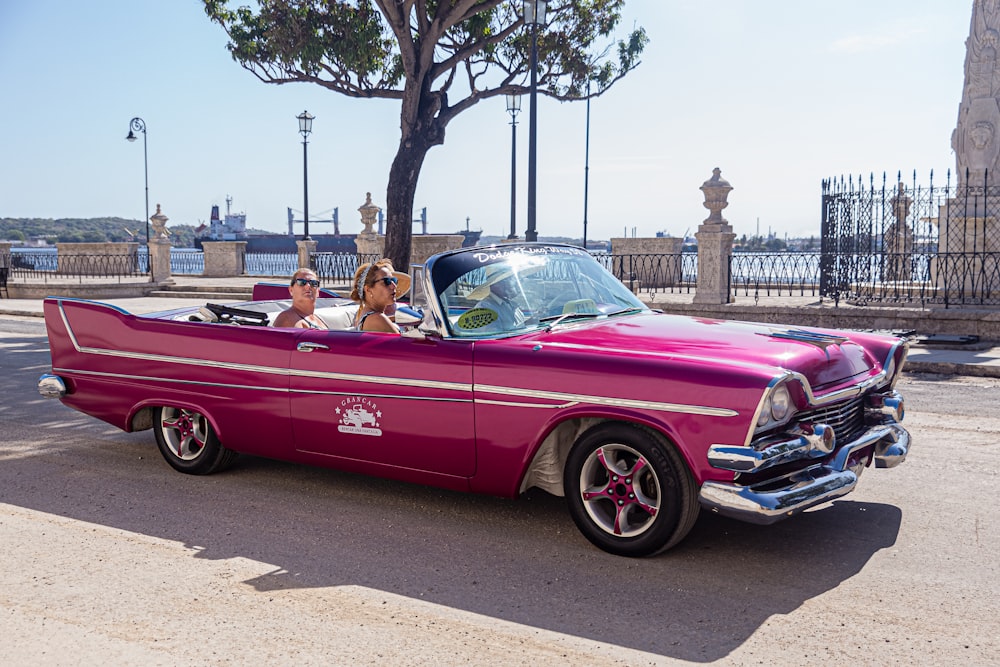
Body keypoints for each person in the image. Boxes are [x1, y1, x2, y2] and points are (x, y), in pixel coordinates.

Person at [350, 259, 411, 333]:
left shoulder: (373, 316)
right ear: (368, 289)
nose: (394, 286)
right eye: (387, 281)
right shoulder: (376, 319)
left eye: (394, 280)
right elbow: (405, 344)